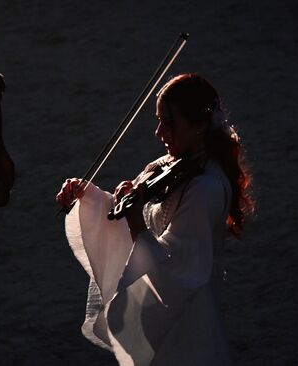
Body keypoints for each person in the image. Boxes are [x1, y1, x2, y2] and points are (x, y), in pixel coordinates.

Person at [56, 73, 253, 365]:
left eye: (169, 122)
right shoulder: (166, 166)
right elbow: (128, 220)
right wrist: (89, 197)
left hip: (189, 331)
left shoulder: (206, 188)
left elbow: (179, 269)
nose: (160, 132)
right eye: (159, 120)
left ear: (199, 125)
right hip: (165, 326)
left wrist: (136, 221)